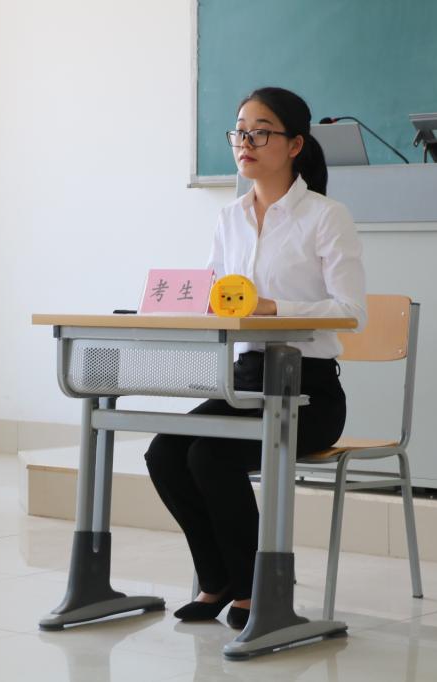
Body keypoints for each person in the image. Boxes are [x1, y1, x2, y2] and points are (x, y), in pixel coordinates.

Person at [143, 87, 367, 630]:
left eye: (260, 131)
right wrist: (189, 304)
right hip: (244, 384)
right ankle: (219, 579)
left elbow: (351, 311)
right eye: (240, 131)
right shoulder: (230, 217)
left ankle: (256, 590)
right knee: (165, 452)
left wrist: (273, 308)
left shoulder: (326, 216)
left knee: (210, 456)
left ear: (295, 144)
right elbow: (216, 295)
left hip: (307, 392)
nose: (245, 141)